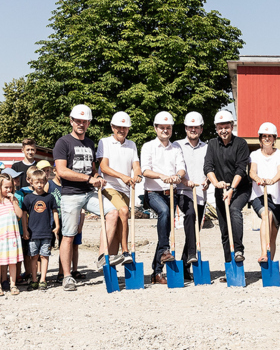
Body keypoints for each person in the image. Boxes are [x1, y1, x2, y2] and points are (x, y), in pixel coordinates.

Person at [52, 104, 117, 291]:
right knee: (69, 236)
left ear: (88, 123)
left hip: (89, 193)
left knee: (112, 213)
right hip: (71, 194)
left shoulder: (89, 143)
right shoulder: (63, 143)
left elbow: (92, 169)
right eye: (77, 121)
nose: (81, 124)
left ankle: (101, 256)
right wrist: (89, 178)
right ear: (71, 121)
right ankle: (66, 277)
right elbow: (62, 171)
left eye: (84, 121)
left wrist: (97, 177)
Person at [141, 111, 189, 285]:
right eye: (162, 127)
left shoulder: (176, 148)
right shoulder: (148, 146)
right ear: (155, 128)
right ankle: (164, 253)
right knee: (164, 212)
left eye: (168, 127)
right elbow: (144, 170)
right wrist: (162, 176)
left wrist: (177, 175)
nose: (165, 130)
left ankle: (156, 272)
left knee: (165, 235)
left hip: (171, 193)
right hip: (153, 193)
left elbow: (181, 168)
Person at [204, 110, 251, 267]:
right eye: (220, 127)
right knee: (224, 228)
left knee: (234, 210)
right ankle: (229, 266)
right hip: (221, 190)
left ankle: (238, 250)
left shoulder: (241, 144)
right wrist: (216, 183)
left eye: (227, 127)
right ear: (216, 128)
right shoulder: (211, 144)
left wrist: (231, 189)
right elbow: (208, 166)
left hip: (240, 189)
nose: (223, 130)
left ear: (232, 126)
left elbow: (241, 169)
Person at [98, 112, 142, 268]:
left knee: (118, 228)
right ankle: (125, 251)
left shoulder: (132, 145)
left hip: (126, 189)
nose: (121, 130)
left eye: (125, 127)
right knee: (123, 211)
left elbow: (136, 166)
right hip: (109, 187)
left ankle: (110, 265)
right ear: (112, 127)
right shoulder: (104, 142)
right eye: (118, 127)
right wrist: (123, 176)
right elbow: (104, 167)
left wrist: (137, 176)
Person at [175, 111, 209, 281]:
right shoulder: (177, 145)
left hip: (201, 193)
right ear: (186, 128)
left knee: (194, 231)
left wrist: (208, 180)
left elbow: (211, 168)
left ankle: (185, 265)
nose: (193, 130)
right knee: (190, 215)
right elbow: (173, 166)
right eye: (190, 127)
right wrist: (184, 180)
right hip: (183, 191)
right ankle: (191, 252)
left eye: (196, 127)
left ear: (201, 129)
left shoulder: (207, 147)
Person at [249, 122, 280, 264]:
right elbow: (252, 171)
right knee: (267, 215)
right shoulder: (255, 155)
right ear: (260, 138)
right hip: (259, 194)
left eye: (269, 136)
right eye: (264, 136)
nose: (267, 138)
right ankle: (263, 253)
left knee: (273, 233)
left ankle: (268, 264)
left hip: (277, 198)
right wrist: (258, 179)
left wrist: (272, 180)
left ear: (274, 138)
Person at [21, 168, 59, 290]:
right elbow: (23, 215)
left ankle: (43, 279)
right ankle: (34, 279)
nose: (39, 185)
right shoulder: (28, 198)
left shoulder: (50, 197)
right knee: (34, 256)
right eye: (37, 182)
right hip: (33, 233)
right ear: (31, 182)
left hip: (46, 232)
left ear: (46, 182)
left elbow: (54, 212)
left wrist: (57, 226)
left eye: (42, 182)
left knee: (44, 256)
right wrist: (25, 230)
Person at [0, 173, 24, 296]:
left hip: (12, 236)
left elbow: (19, 215)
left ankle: (13, 284)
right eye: (6, 187)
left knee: (12, 261)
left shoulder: (13, 200)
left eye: (10, 187)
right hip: (0, 237)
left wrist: (14, 201)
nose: (9, 190)